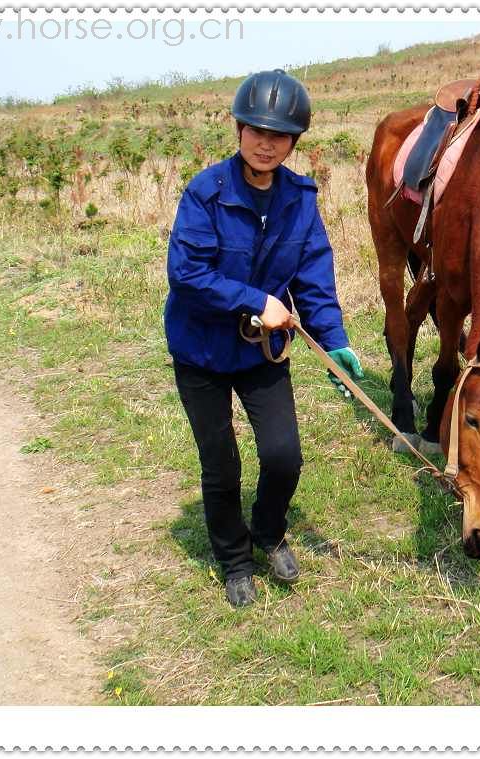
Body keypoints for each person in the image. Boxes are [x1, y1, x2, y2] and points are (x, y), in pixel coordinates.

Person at [164, 69, 364, 608]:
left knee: (283, 457)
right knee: (221, 463)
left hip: (260, 352)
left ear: (294, 140)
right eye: (256, 129)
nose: (265, 142)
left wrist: (334, 340)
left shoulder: (300, 198)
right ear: (238, 128)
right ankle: (234, 561)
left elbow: (314, 276)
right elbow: (187, 276)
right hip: (201, 351)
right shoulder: (205, 193)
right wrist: (257, 301)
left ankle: (269, 532)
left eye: (279, 134)